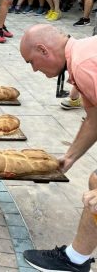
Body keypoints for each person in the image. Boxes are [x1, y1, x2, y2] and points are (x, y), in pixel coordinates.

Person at [20, 24, 97, 272]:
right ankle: (77, 259)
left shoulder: (85, 65)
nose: (33, 69)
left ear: (44, 50)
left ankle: (74, 261)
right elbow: (95, 117)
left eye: (31, 61)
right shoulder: (83, 56)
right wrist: (71, 156)